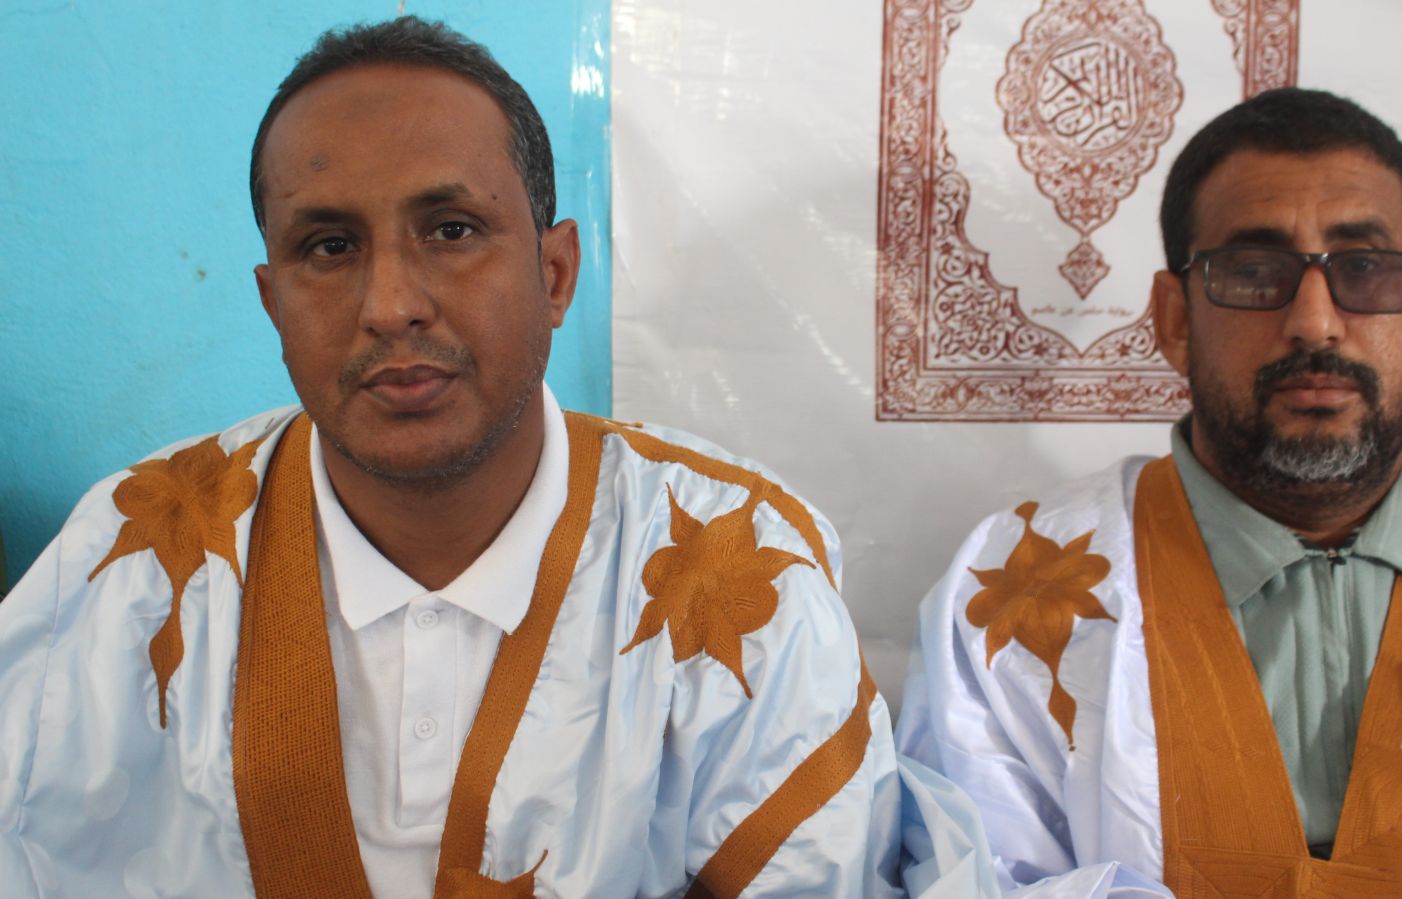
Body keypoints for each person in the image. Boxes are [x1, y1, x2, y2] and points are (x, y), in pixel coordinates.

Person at [0, 18, 993, 898]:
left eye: (452, 230)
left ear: (554, 273)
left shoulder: (740, 569)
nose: (391, 304)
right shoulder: (135, 559)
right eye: (330, 247)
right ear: (273, 302)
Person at [898, 87, 1402, 898]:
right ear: (1175, 320)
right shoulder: (1012, 596)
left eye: (1364, 268)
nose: (1315, 322)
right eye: (1254, 272)